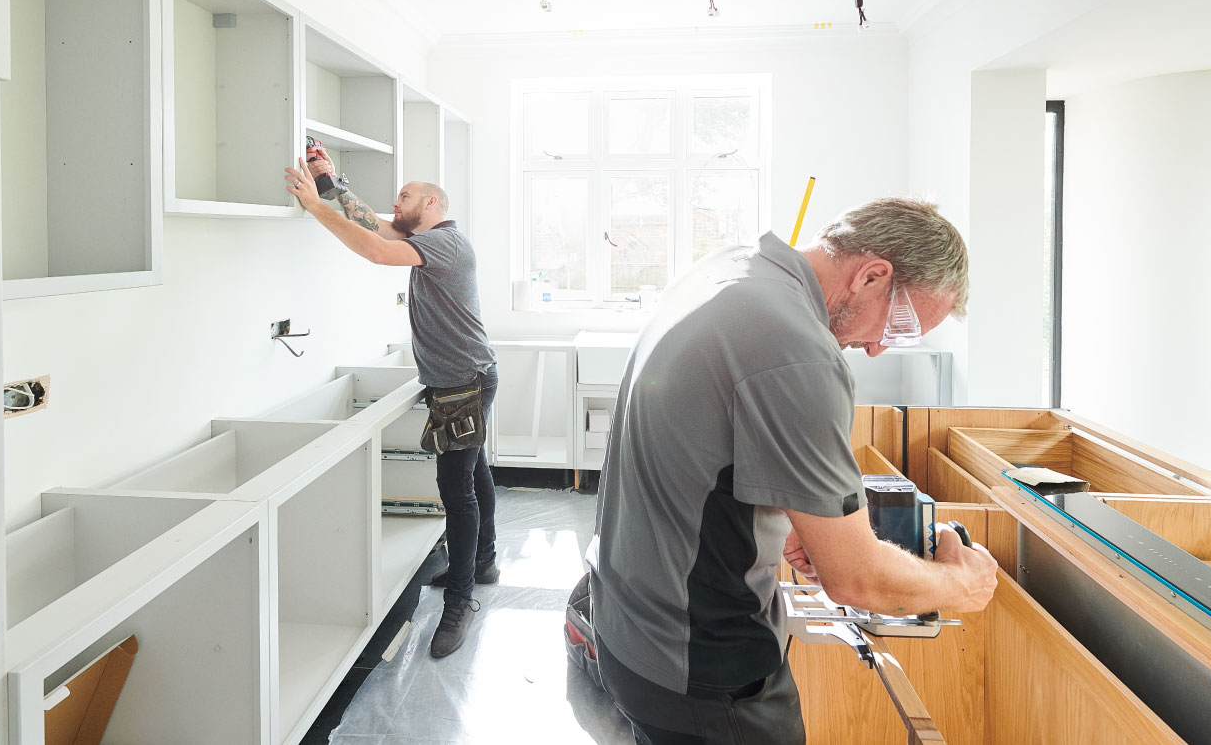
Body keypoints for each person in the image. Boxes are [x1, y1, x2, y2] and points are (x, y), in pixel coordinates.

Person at [589, 197, 1000, 744]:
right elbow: (857, 579)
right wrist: (960, 582)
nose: (878, 348)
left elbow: (706, 429)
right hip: (703, 668)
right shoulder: (797, 351)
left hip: (629, 627)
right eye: (899, 326)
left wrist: (794, 513)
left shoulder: (732, 268)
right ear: (872, 275)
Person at [285, 147, 498, 658]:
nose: (395, 202)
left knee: (458, 489)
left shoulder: (446, 243)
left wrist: (316, 207)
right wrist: (331, 184)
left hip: (463, 382)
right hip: (463, 377)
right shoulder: (426, 237)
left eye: (404, 196)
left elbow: (377, 251)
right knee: (475, 474)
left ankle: (461, 601)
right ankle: (484, 561)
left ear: (430, 203)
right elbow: (375, 226)